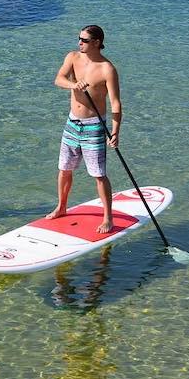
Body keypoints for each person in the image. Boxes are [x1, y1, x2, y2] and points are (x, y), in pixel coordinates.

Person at [47, 25, 122, 233]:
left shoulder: (107, 69)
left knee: (98, 174)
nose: (79, 42)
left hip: (94, 127)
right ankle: (62, 207)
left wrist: (115, 131)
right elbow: (58, 79)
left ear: (97, 43)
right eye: (79, 38)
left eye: (84, 40)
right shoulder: (72, 57)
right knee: (64, 169)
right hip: (72, 123)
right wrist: (74, 85)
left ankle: (108, 218)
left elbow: (115, 103)